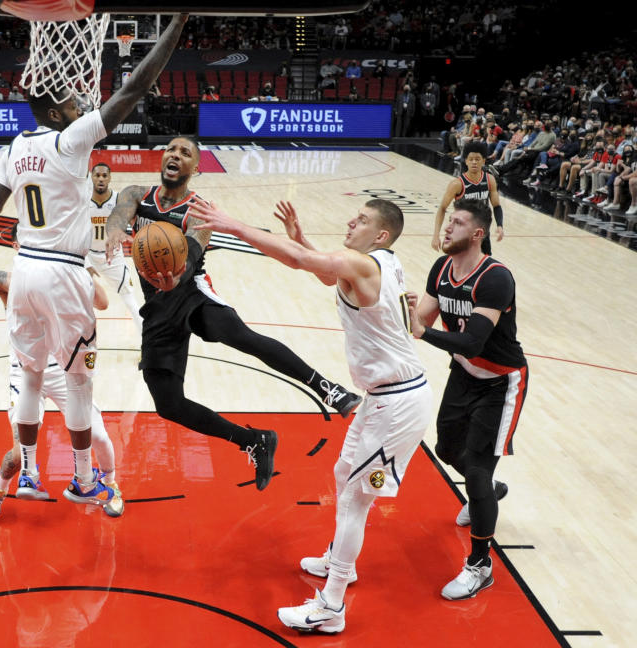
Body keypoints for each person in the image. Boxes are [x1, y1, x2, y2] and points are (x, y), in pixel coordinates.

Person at [0, 15, 188, 510]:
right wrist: (178, 23)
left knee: (29, 376)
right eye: (69, 99)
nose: (79, 102)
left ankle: (28, 475)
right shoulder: (70, 140)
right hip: (64, 274)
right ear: (52, 109)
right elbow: (137, 87)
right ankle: (84, 480)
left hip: (23, 268)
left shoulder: (16, 146)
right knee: (80, 379)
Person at [189, 197, 432, 634]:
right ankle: (340, 559)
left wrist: (233, 224)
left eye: (361, 220)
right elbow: (323, 271)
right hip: (384, 396)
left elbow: (303, 263)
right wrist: (300, 238)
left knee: (357, 498)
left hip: (397, 404)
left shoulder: (364, 263)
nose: (350, 220)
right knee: (344, 475)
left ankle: (331, 607)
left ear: (380, 234)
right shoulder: (380, 262)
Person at [104, 136, 363, 492]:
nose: (175, 155)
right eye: (171, 150)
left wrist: (176, 276)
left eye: (185, 153)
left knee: (241, 336)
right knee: (168, 404)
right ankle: (252, 441)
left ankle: (328, 388)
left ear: (196, 168)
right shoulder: (135, 194)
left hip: (191, 291)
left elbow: (193, 249)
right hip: (158, 306)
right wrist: (115, 230)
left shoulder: (201, 210)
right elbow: (118, 216)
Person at [0, 209, 124, 522]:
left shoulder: (72, 273)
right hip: (27, 373)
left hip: (65, 373)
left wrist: (83, 266)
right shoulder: (6, 281)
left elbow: (103, 302)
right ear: (17, 246)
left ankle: (110, 483)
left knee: (99, 437)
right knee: (17, 454)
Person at [408, 198, 528, 601]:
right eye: (447, 221)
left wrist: (423, 334)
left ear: (477, 233)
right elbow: (422, 318)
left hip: (499, 382)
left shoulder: (495, 277)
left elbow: (473, 340)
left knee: (475, 471)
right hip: (463, 374)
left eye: (456, 223)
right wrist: (391, 306)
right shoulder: (441, 268)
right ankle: (489, 492)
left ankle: (480, 565)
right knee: (445, 449)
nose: (446, 228)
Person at [86, 162, 143, 331]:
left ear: (110, 178)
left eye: (105, 175)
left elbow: (135, 223)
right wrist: (85, 263)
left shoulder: (119, 199)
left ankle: (145, 343)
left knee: (130, 298)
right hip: (86, 255)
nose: (101, 179)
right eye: (97, 175)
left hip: (112, 256)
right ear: (92, 177)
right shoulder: (82, 199)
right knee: (78, 300)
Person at [432, 141, 504, 255]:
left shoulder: (490, 180)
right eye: (471, 159)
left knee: (484, 266)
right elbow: (442, 209)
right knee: (462, 266)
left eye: (477, 159)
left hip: (482, 231)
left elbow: (497, 206)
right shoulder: (457, 184)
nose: (474, 162)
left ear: (483, 161)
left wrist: (500, 225)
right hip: (462, 232)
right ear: (466, 161)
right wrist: (436, 236)